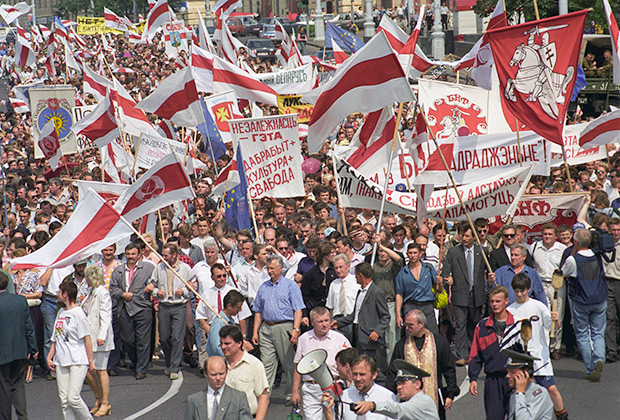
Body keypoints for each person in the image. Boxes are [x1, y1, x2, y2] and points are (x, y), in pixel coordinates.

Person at [509, 273, 569, 420]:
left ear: (528, 289)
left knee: (552, 389)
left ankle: (562, 416)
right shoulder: (510, 310)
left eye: (522, 290)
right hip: (521, 358)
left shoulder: (538, 306)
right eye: (516, 291)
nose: (519, 294)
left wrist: (556, 320)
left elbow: (553, 327)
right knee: (519, 390)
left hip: (540, 357)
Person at [386, 310, 458, 420]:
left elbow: (449, 369)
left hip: (433, 398)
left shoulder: (439, 343)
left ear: (421, 324)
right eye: (406, 325)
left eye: (411, 325)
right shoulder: (401, 345)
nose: (407, 328)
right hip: (408, 402)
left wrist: (450, 394)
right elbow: (392, 372)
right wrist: (389, 396)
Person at [252, 254, 305, 400]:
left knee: (288, 363)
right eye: (268, 268)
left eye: (273, 268)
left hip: (284, 327)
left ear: (281, 268)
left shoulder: (290, 285)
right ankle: (264, 396)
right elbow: (258, 311)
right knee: (266, 363)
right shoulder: (264, 287)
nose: (270, 271)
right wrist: (255, 332)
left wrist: (296, 329)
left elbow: (298, 309)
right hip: (266, 328)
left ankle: (291, 393)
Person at [441, 223, 495, 366]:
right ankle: (461, 354)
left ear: (473, 237)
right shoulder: (454, 252)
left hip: (477, 294)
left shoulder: (482, 251)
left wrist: (490, 281)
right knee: (460, 324)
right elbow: (445, 272)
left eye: (467, 235)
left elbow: (488, 272)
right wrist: (447, 283)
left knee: (474, 324)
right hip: (460, 293)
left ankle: (474, 351)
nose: (463, 238)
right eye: (461, 235)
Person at [561, 228, 607, 382]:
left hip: (581, 299)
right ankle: (599, 358)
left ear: (576, 242)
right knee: (598, 333)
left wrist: (573, 251)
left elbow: (564, 272)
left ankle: (589, 367)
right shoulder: (598, 256)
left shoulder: (573, 260)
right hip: (599, 298)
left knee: (582, 334)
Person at [46, 280, 96, 420]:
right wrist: (50, 357)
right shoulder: (61, 312)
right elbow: (56, 337)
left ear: (65, 294)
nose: (57, 294)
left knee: (73, 398)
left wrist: (90, 362)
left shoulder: (79, 314)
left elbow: (87, 339)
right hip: (61, 360)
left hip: (77, 360)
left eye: (59, 292)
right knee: (64, 401)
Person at [291, 307, 350, 419]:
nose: (324, 324)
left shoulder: (340, 339)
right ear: (312, 322)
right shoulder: (303, 339)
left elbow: (349, 367)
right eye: (320, 321)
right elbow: (297, 367)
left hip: (334, 387)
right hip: (311, 389)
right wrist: (295, 392)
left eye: (327, 320)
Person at [468, 286, 516, 420]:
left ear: (506, 301)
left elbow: (527, 353)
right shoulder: (482, 326)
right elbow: (475, 354)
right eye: (492, 301)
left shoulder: (518, 324)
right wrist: (473, 378)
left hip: (514, 380)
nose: (494, 304)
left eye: (498, 301)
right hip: (493, 381)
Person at [109, 243, 155, 380]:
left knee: (143, 340)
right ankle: (136, 362)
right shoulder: (118, 270)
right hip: (124, 308)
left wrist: (153, 285)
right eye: (128, 254)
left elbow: (157, 281)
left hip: (142, 307)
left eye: (133, 254)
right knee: (128, 339)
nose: (130, 257)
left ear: (139, 254)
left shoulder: (148, 268)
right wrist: (122, 294)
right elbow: (113, 289)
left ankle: (141, 369)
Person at [149, 243, 193, 380]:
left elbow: (193, 285)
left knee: (177, 337)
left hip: (179, 305)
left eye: (166, 255)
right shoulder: (159, 268)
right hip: (164, 305)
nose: (163, 257)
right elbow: (151, 285)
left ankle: (175, 367)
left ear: (174, 255)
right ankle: (169, 362)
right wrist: (157, 292)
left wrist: (184, 291)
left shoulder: (185, 268)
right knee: (163, 337)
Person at [0, 270, 37, 420]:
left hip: (2, 353)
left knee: (4, 390)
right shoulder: (20, 300)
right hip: (19, 350)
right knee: (18, 386)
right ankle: (23, 416)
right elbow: (28, 327)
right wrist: (33, 348)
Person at [352, 359, 439, 420]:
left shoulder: (423, 402)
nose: (399, 387)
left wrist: (372, 405)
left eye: (403, 383)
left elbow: (398, 409)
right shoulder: (411, 402)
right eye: (398, 384)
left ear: (417, 384)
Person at [336, 263, 390, 358]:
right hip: (358, 337)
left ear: (361, 275)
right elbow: (354, 316)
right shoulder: (360, 292)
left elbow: (385, 316)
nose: (355, 277)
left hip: (369, 340)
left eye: (356, 275)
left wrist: (377, 331)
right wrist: (338, 322)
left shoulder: (377, 292)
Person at [529, 223, 567, 359]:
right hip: (540, 284)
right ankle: (544, 346)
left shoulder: (562, 249)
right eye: (545, 234)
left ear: (555, 236)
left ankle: (555, 347)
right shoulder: (534, 247)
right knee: (543, 315)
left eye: (550, 234)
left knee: (557, 316)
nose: (547, 237)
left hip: (557, 285)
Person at [322, 354, 396, 420]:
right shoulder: (344, 396)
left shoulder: (387, 397)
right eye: (355, 374)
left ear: (374, 375)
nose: (357, 379)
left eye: (362, 374)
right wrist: (328, 410)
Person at [83, 265, 114, 417]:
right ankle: (98, 397)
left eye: (87, 276)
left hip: (100, 338)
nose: (85, 279)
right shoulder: (91, 292)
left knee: (101, 370)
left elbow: (106, 316)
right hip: (89, 338)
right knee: (88, 370)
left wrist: (101, 335)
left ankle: (105, 402)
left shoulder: (103, 293)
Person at [219, 325, 270, 419]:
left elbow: (263, 397)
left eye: (227, 343)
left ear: (239, 343)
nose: (223, 347)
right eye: (221, 343)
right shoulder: (219, 365)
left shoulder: (254, 364)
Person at [184, 355, 253, 420]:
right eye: (213, 375)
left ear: (226, 372)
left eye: (221, 374)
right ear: (205, 374)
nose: (218, 378)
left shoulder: (238, 398)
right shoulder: (193, 400)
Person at [395, 243, 440, 335]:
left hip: (427, 305)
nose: (412, 256)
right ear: (407, 254)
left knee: (432, 334)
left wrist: (440, 282)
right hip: (410, 305)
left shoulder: (428, 268)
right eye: (410, 253)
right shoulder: (402, 273)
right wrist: (398, 314)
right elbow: (399, 294)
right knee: (410, 335)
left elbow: (438, 287)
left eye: (415, 253)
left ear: (420, 254)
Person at [503, 349, 554, 420]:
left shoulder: (540, 394)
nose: (507, 376)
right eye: (508, 372)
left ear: (527, 373)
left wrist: (520, 393)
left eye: (512, 372)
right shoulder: (515, 393)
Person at [326, 253, 360, 342]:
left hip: (350, 320)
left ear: (348, 267)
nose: (338, 270)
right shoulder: (333, 284)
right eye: (336, 268)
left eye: (341, 267)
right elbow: (331, 307)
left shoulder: (356, 282)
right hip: (336, 320)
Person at [205, 289, 246, 357]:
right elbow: (216, 348)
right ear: (229, 306)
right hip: (220, 363)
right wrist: (230, 359)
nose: (240, 310)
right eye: (238, 307)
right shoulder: (218, 324)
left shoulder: (231, 321)